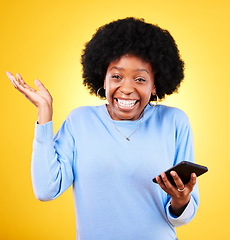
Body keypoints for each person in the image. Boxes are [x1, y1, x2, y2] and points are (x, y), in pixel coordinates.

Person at [7, 17, 198, 240]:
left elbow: (184, 216)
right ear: (103, 79)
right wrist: (44, 113)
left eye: (139, 79)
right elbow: (46, 190)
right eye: (116, 76)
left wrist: (181, 200)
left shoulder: (174, 122)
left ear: (154, 85)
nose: (126, 88)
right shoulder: (80, 121)